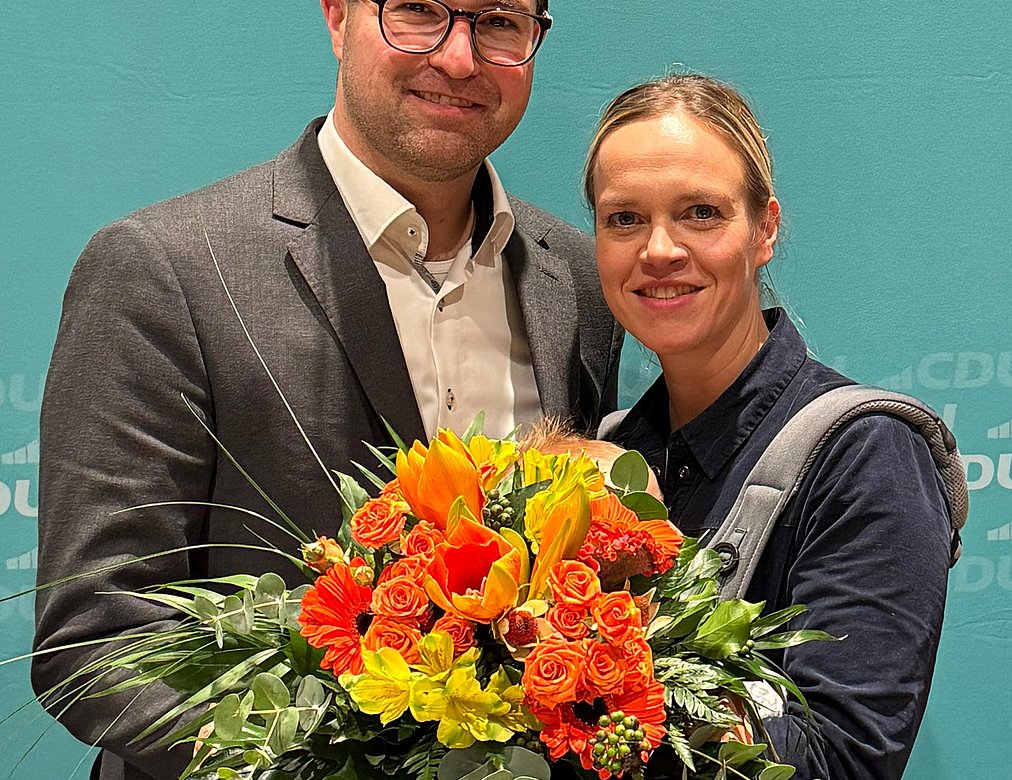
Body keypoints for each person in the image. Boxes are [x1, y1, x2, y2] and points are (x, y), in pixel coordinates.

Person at [32, 3, 620, 779]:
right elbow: (97, 637)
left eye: (499, 21)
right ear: (338, 16)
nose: (459, 58)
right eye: (418, 11)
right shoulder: (164, 269)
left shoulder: (576, 278)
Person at [585, 74, 952, 780]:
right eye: (624, 218)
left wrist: (586, 670)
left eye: (700, 213)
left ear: (764, 230)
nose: (658, 250)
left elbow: (840, 762)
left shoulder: (866, 453)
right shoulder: (610, 456)